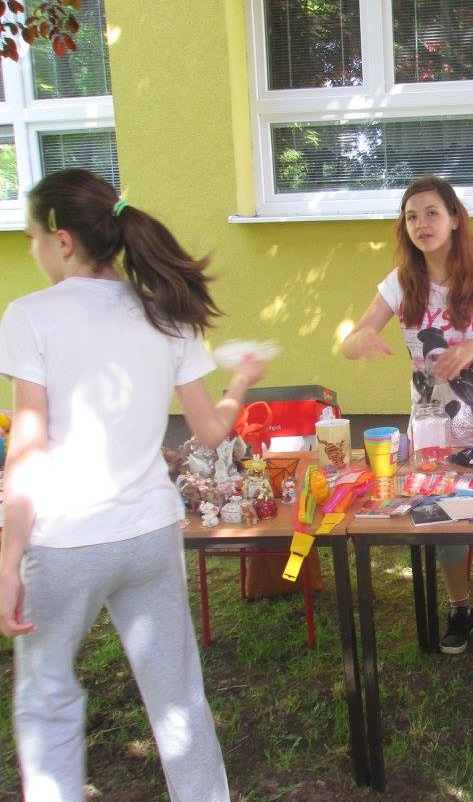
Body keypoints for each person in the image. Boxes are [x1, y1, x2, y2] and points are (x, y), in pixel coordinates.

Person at [0, 168, 268, 802]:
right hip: (150, 536)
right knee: (178, 699)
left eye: (33, 237)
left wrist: (9, 559)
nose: (33, 250)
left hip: (65, 543)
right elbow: (210, 432)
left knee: (46, 697)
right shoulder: (165, 312)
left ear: (63, 240)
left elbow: (28, 447)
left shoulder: (30, 316)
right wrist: (240, 382)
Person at [341, 175, 473, 661]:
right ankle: (459, 610)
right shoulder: (399, 282)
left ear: (454, 219)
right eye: (411, 216)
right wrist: (359, 339)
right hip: (433, 432)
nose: (421, 224)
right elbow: (351, 340)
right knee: (446, 523)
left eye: (432, 212)